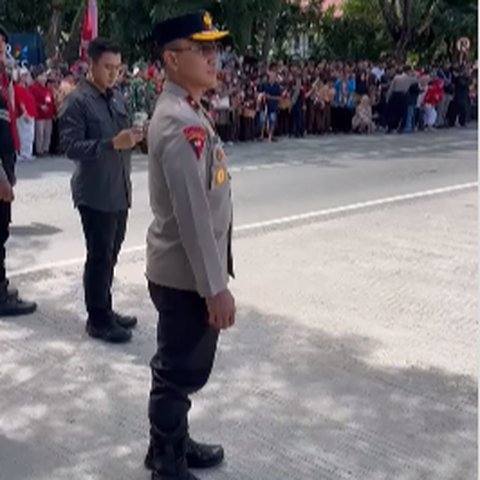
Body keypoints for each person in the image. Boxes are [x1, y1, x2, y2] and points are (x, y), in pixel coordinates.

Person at [144, 11, 235, 480]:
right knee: (178, 371)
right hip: (186, 275)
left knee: (182, 365)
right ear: (172, 60)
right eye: (201, 49)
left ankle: (172, 440)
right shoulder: (180, 122)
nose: (212, 56)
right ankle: (166, 459)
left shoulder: (191, 110)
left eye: (214, 48)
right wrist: (214, 287)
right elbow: (194, 217)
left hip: (187, 270)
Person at [59, 38, 143, 344]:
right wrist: (111, 144)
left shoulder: (117, 97)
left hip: (119, 189)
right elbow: (69, 147)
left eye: (118, 69)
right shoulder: (77, 101)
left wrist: (136, 137)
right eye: (107, 67)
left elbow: (124, 138)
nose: (113, 74)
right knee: (99, 256)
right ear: (91, 64)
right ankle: (97, 319)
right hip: (94, 193)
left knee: (112, 254)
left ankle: (105, 307)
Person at [0, 28, 37, 316]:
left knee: (2, 227)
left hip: (6, 157)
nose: (2, 51)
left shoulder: (3, 79)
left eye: (3, 46)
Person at [30, 68, 55, 157]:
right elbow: (32, 100)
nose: (44, 78)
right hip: (39, 115)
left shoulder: (47, 89)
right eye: (41, 76)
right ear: (37, 77)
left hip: (48, 114)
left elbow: (51, 101)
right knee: (40, 133)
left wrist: (53, 113)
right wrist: (40, 106)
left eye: (44, 76)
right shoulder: (33, 88)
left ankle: (46, 149)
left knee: (48, 132)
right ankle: (39, 150)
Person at [14, 68, 37, 161]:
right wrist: (25, 113)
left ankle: (28, 152)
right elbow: (20, 102)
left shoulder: (26, 88)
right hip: (24, 115)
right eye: (23, 75)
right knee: (24, 134)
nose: (25, 77)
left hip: (31, 113)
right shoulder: (18, 88)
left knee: (30, 134)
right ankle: (24, 153)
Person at [258, 69, 282, 141]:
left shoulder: (277, 86)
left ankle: (270, 136)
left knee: (272, 120)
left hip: (273, 106)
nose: (272, 78)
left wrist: (271, 97)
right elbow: (259, 93)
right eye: (271, 76)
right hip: (264, 104)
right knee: (262, 120)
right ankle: (262, 135)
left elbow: (279, 97)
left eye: (274, 76)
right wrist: (263, 95)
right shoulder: (264, 84)